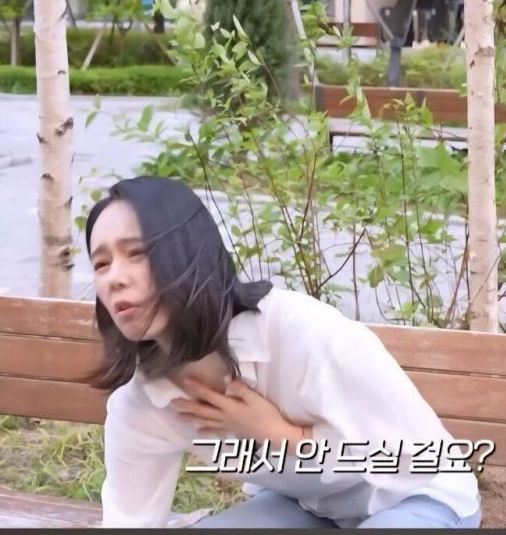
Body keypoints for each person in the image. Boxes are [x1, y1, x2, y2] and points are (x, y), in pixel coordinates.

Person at [84, 176, 482, 528]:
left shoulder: (303, 333)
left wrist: (284, 435)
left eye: (136, 253)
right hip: (305, 506)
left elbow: (406, 457)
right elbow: (128, 520)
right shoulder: (141, 404)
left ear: (189, 251)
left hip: (415, 496)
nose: (114, 278)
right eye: (101, 264)